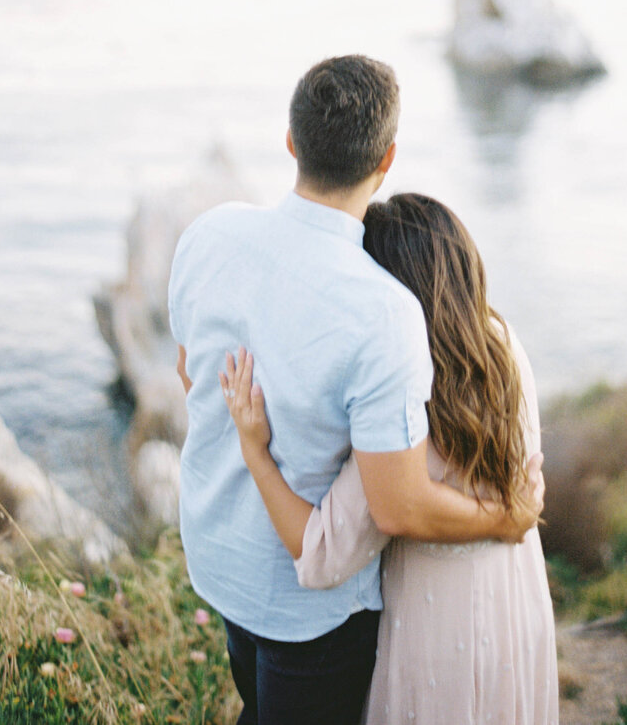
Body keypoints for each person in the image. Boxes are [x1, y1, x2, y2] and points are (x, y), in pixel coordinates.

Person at [168, 55, 544, 725]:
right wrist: (505, 517)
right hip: (307, 610)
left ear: (291, 141)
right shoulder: (384, 311)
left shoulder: (209, 234)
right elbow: (398, 506)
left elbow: (188, 369)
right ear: (387, 157)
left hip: (219, 558)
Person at [222, 193, 558, 725]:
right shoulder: (503, 345)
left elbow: (319, 554)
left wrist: (254, 450)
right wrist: (507, 517)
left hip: (436, 639)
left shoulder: (408, 410)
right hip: (515, 607)